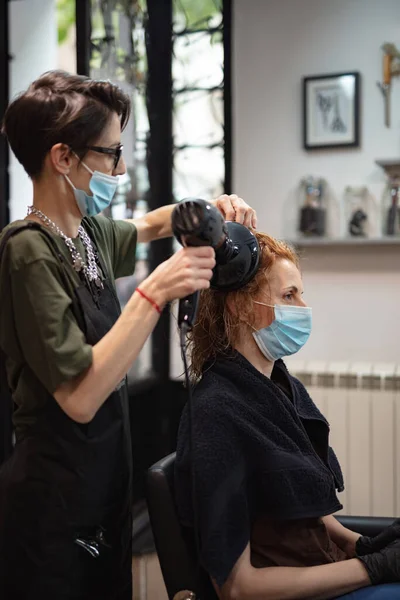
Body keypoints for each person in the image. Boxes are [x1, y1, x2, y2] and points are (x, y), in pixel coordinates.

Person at [0, 70, 257, 600]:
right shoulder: (28, 250)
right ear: (63, 158)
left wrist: (209, 207)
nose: (119, 169)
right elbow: (79, 396)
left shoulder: (85, 234)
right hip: (52, 504)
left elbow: (148, 226)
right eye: (111, 154)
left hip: (102, 487)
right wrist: (153, 294)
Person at [174, 232, 400, 600]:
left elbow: (298, 498)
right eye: (289, 295)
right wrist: (371, 569)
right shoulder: (217, 413)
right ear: (242, 307)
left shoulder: (278, 386)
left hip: (322, 566)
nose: (303, 306)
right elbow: (238, 587)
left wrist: (364, 546)